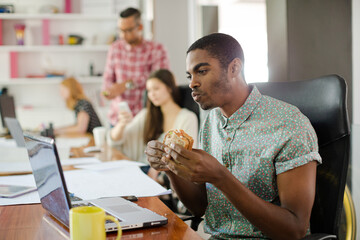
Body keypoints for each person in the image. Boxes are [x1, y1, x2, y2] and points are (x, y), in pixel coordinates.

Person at [145, 33, 322, 239]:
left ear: (234, 68)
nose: (192, 83)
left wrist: (221, 177)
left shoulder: (289, 124)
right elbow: (200, 208)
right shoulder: (212, 120)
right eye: (189, 76)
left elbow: (294, 229)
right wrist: (170, 167)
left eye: (201, 71)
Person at [108, 69, 198, 213]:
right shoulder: (147, 115)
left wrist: (156, 173)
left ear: (169, 87)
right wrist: (121, 124)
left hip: (166, 179)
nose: (152, 94)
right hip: (142, 172)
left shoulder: (187, 117)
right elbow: (116, 139)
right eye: (149, 90)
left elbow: (182, 158)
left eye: (156, 88)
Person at [102, 7, 170, 127]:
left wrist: (127, 85)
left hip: (146, 119)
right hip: (118, 119)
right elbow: (107, 79)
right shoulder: (114, 48)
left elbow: (160, 80)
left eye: (128, 30)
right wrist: (108, 92)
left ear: (140, 27)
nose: (123, 35)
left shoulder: (156, 49)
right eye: (120, 30)